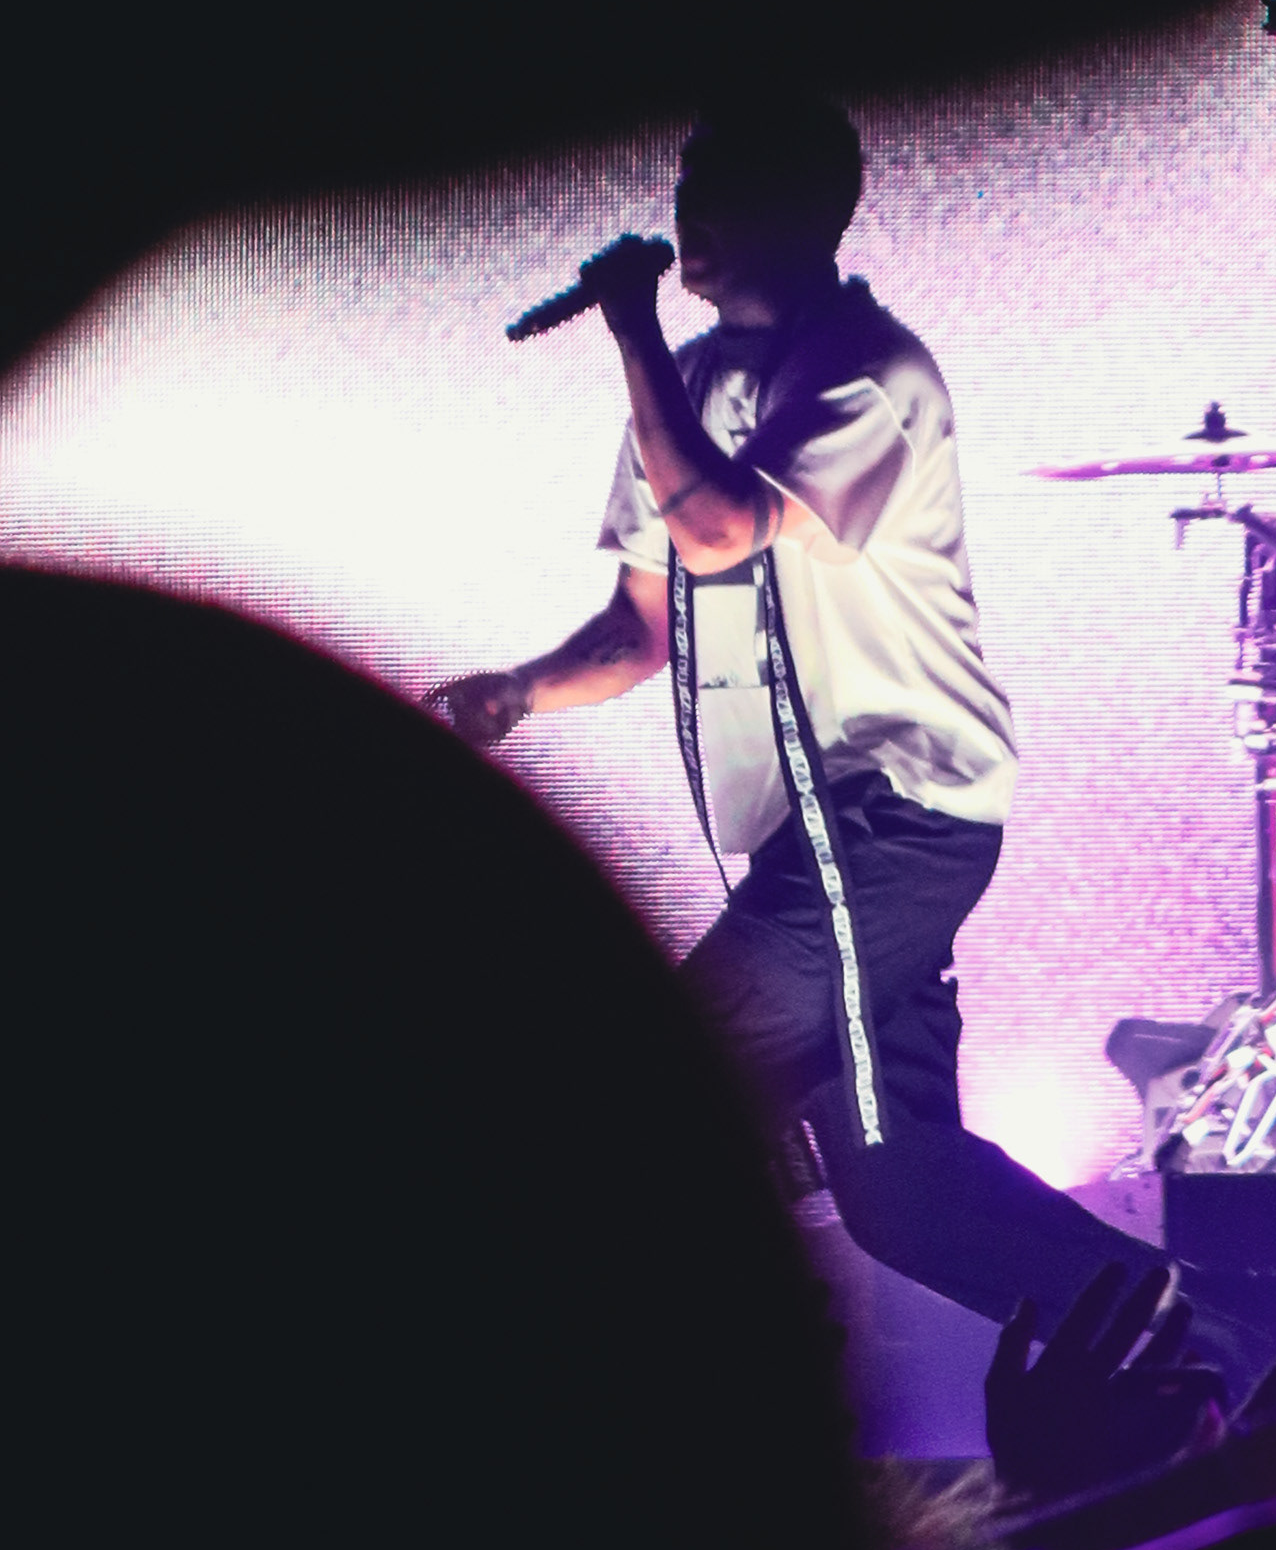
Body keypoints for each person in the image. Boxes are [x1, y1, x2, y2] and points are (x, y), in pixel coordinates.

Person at [428, 97, 1176, 1332]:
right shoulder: (688, 384)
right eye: (684, 188)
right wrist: (516, 692)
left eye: (716, 192)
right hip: (816, 839)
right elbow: (641, 628)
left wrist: (629, 329)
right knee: (903, 1196)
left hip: (893, 819)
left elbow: (721, 527)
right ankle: (1208, 1334)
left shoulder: (867, 372)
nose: (687, 216)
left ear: (793, 211)